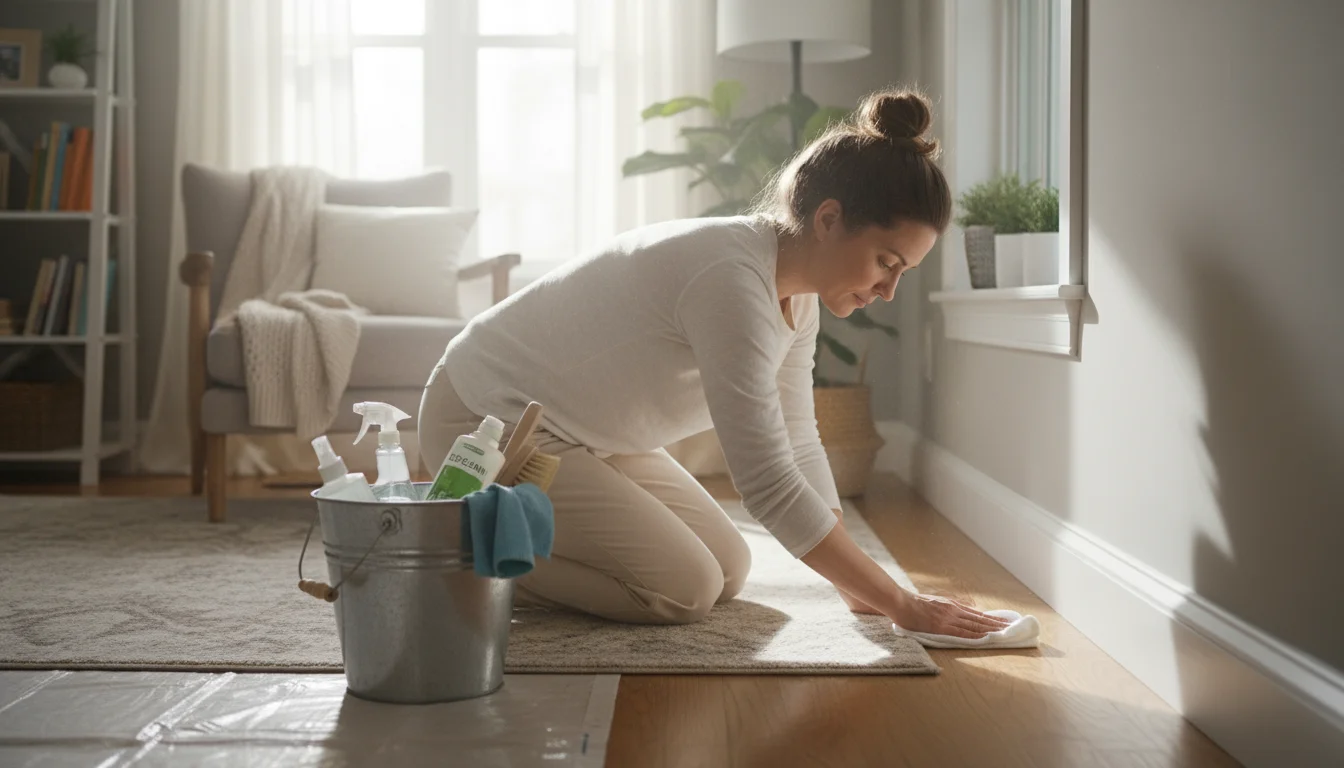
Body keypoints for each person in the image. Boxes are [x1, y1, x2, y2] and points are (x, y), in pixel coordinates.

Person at [419, 87, 1010, 639]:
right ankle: (451, 551)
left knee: (729, 567)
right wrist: (900, 604)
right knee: (685, 588)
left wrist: (857, 586)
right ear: (829, 220)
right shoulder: (730, 280)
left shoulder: (798, 298)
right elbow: (767, 482)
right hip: (488, 422)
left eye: (902, 270)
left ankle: (489, 540)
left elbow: (799, 440)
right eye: (887, 261)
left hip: (586, 433)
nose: (889, 289)